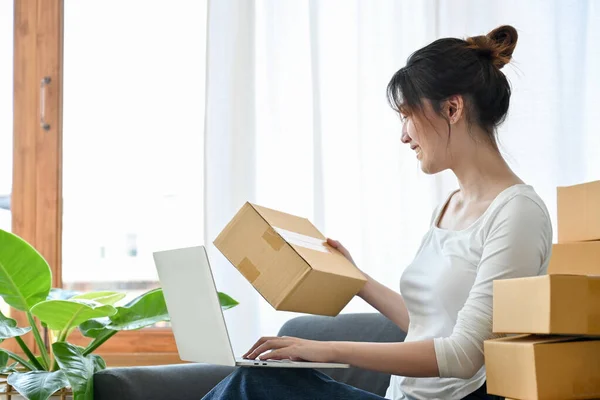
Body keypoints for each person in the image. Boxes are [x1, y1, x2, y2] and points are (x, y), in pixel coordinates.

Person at [202, 25, 552, 400]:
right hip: (399, 396)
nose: (403, 135)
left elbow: (465, 354)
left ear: (452, 108)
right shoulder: (449, 207)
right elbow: (428, 326)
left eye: (407, 115)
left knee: (254, 385)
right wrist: (358, 280)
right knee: (262, 380)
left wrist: (325, 349)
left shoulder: (518, 213)